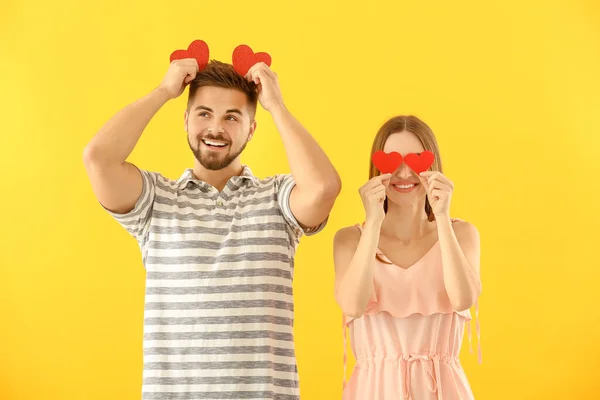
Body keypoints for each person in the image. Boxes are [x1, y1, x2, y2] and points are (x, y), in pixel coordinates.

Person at [83, 56, 341, 399]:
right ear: (186, 119)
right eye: (204, 113)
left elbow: (323, 188)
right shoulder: (156, 201)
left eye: (231, 117)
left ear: (251, 128)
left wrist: (276, 106)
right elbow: (98, 159)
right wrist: (163, 91)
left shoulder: (278, 199)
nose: (215, 128)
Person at [334, 115, 481, 399]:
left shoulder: (462, 233)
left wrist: (441, 216)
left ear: (433, 165)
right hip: (373, 390)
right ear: (377, 168)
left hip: (443, 389)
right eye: (391, 160)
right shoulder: (350, 239)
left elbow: (464, 298)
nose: (403, 173)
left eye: (415, 160)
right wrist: (373, 221)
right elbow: (353, 304)